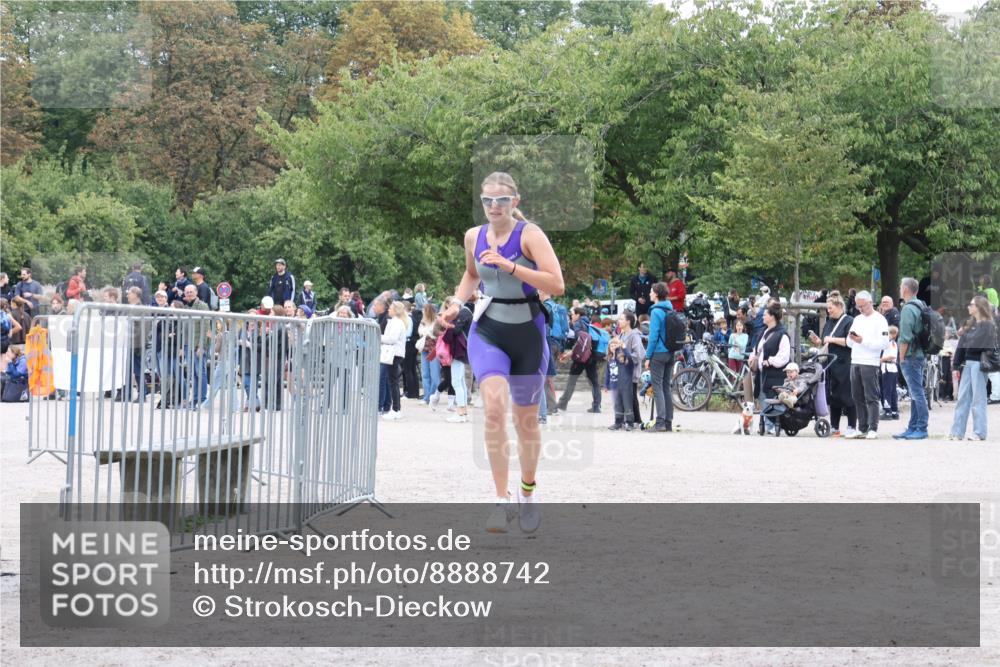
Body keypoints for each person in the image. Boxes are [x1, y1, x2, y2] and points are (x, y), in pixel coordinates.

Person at [438, 171, 564, 534]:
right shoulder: (473, 236)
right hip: (488, 329)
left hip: (527, 332)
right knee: (493, 409)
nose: (494, 206)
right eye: (487, 200)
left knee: (526, 422)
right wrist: (457, 302)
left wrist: (511, 266)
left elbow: (557, 284)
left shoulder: (530, 235)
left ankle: (527, 491)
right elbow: (471, 275)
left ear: (515, 202)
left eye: (501, 200)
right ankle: (500, 499)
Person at [948, 295, 997, 441]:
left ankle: (979, 432)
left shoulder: (988, 325)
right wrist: (956, 365)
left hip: (979, 364)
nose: (969, 307)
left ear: (979, 307)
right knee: (962, 398)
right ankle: (957, 432)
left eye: (972, 304)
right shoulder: (970, 324)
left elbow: (979, 345)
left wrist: (967, 340)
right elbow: (961, 346)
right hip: (968, 364)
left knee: (978, 399)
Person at [809, 293, 857, 437]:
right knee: (833, 395)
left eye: (831, 308)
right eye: (828, 308)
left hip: (845, 362)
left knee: (847, 394)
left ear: (839, 306)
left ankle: (851, 425)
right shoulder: (829, 322)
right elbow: (825, 340)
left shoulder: (849, 321)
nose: (828, 310)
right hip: (830, 362)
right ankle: (834, 426)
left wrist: (833, 339)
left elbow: (850, 342)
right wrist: (819, 341)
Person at [845, 290, 890, 439]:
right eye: (858, 306)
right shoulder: (857, 319)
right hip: (855, 360)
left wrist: (863, 340)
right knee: (857, 396)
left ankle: (873, 427)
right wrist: (852, 339)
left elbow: (884, 343)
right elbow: (849, 342)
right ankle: (862, 427)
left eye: (862, 306)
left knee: (871, 396)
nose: (860, 309)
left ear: (870, 303)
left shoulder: (880, 320)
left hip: (870, 361)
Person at [895, 277, 929, 440]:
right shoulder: (921, 304)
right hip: (920, 353)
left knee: (917, 393)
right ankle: (913, 426)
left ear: (906, 289)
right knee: (915, 392)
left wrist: (901, 357)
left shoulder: (908, 309)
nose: (900, 289)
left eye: (901, 286)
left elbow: (905, 337)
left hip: (910, 355)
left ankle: (921, 427)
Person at [750, 302, 791, 436]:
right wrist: (752, 357)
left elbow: (784, 356)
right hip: (763, 372)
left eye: (765, 314)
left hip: (775, 373)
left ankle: (775, 424)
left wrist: (771, 361)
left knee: (772, 398)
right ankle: (768, 424)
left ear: (772, 316)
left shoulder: (782, 334)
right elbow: (756, 349)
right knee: (763, 397)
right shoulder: (763, 332)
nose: (763, 316)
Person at [643, 282, 678, 432]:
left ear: (656, 294)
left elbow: (653, 336)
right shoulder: (670, 309)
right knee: (666, 387)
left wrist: (648, 356)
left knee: (657, 388)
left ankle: (660, 422)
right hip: (671, 352)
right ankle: (668, 422)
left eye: (651, 291)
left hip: (658, 353)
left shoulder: (656, 311)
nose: (650, 293)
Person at [556, 307, 602, 414]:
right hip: (591, 356)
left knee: (572, 380)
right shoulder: (588, 323)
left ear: (578, 315)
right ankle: (596, 406)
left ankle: (562, 403)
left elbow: (581, 341)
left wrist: (570, 354)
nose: (571, 316)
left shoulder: (578, 323)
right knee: (594, 382)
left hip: (581, 358)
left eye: (572, 314)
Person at [380, 301, 409, 420]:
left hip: (394, 354)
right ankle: (396, 409)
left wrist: (379, 337)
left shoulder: (397, 323)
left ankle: (396, 409)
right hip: (394, 353)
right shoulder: (395, 322)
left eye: (391, 308)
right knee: (393, 382)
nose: (388, 310)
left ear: (396, 310)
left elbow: (392, 339)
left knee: (393, 382)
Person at [418, 303, 442, 407]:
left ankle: (432, 396)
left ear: (428, 311)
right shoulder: (423, 321)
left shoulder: (437, 321)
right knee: (425, 374)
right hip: (424, 348)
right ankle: (427, 397)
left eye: (424, 310)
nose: (422, 312)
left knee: (435, 375)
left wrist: (427, 333)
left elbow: (435, 334)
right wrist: (427, 333)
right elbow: (420, 332)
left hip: (434, 350)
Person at [402, 301, 421, 399]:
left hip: (408, 344)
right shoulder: (412, 317)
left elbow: (407, 333)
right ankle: (414, 392)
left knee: (408, 369)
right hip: (413, 344)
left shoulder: (408, 318)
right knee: (412, 368)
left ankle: (410, 392)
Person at [881, 326, 900, 421]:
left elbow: (892, 356)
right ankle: (894, 411)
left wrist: (880, 360)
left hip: (888, 368)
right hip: (891, 368)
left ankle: (888, 411)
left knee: (887, 390)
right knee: (892, 391)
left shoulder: (890, 343)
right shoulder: (892, 343)